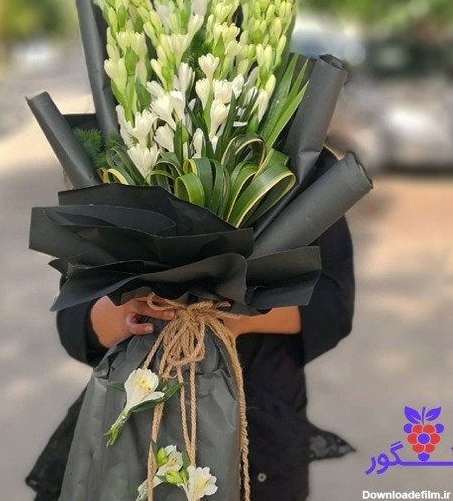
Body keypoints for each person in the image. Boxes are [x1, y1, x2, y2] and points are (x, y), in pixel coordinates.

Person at [47, 148, 355, 501]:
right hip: (136, 427)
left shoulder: (296, 163)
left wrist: (236, 317)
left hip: (259, 426)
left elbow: (333, 303)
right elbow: (74, 319)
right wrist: (122, 311)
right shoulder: (116, 152)